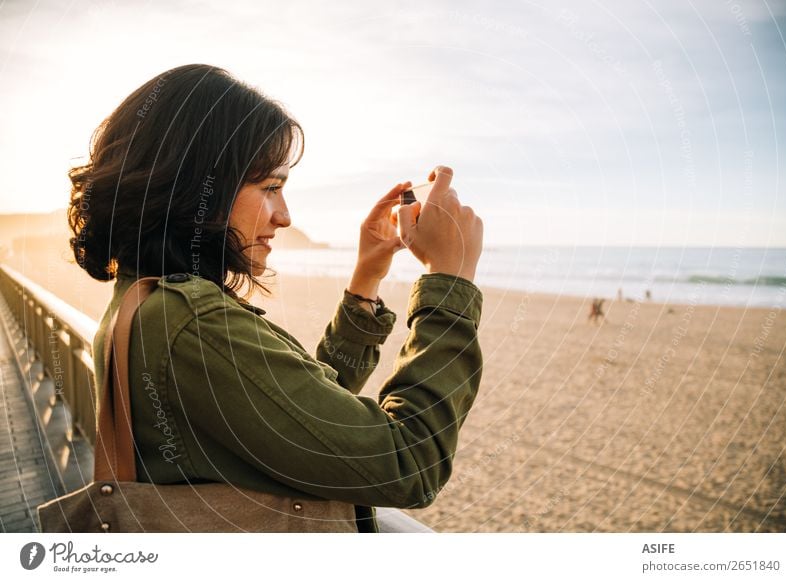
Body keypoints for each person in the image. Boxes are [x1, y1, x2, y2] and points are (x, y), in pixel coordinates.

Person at [67, 64, 484, 532]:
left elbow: (302, 421)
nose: (283, 216)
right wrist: (452, 278)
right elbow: (410, 463)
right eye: (271, 188)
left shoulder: (147, 300)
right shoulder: (190, 323)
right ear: (193, 186)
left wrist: (367, 276)